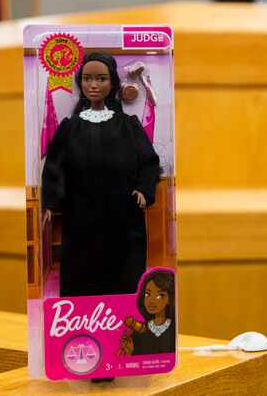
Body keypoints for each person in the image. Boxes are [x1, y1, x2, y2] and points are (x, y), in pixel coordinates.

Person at [42, 52, 160, 297]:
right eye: (87, 79)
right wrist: (51, 203)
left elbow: (149, 161)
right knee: (82, 270)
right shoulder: (70, 127)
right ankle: (82, 320)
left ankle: (122, 315)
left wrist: (143, 188)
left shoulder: (128, 125)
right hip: (81, 215)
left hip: (122, 215)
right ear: (80, 82)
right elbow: (54, 165)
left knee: (123, 271)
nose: (93, 85)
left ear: (112, 83)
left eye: (101, 79)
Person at [119, 270, 176, 356]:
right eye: (148, 294)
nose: (151, 300)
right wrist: (130, 352)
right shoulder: (138, 332)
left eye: (160, 295)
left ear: (169, 298)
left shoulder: (174, 328)